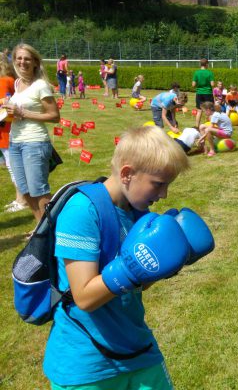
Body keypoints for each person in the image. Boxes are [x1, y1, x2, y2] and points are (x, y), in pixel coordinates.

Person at [43, 125, 192, 389]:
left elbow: (138, 285)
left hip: (138, 348)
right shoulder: (82, 211)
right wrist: (132, 268)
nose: (164, 194)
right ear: (127, 173)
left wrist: (162, 264)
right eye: (158, 184)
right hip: (88, 363)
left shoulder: (135, 211)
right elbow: (85, 298)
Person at [5, 44, 60, 223]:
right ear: (14, 61)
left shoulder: (41, 85)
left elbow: (54, 116)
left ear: (35, 62)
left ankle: (49, 232)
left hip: (34, 143)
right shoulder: (17, 83)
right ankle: (40, 228)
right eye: (19, 58)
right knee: (24, 189)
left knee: (38, 190)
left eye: (27, 58)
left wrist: (23, 113)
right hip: (15, 143)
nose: (22, 62)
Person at [0, 52, 26, 213]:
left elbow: (4, 106)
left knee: (13, 167)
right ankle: (19, 199)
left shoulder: (3, 81)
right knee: (14, 166)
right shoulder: (11, 80)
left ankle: (21, 200)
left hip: (5, 130)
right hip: (10, 129)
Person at [192, 58, 215, 126]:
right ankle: (211, 127)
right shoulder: (209, 73)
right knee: (209, 110)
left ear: (200, 64)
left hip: (199, 93)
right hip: (208, 93)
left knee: (199, 110)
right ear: (207, 64)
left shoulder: (196, 72)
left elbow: (193, 85)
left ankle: (197, 126)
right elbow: (212, 84)